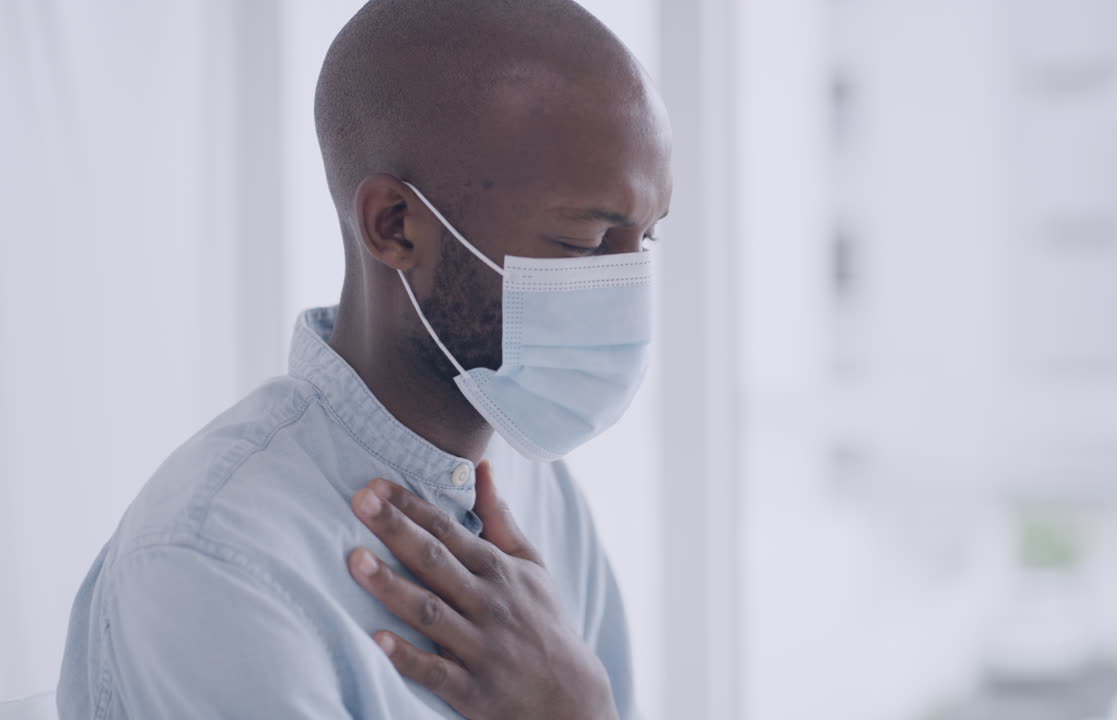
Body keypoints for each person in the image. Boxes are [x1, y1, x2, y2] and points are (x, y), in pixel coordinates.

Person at [55, 0, 672, 717]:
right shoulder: (214, 559)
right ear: (395, 227)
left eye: (649, 241)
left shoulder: (538, 488)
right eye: (584, 244)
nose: (628, 290)